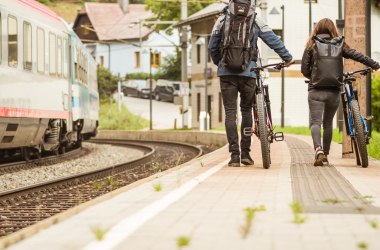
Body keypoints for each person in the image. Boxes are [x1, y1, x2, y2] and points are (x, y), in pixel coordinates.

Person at [208, 0, 294, 167]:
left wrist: (221, 64)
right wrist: (287, 57)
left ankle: (234, 156)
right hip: (249, 73)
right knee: (246, 110)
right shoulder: (255, 19)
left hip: (227, 74)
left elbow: (212, 47)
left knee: (230, 113)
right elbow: (272, 39)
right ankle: (246, 154)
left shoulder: (221, 19)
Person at [301, 18, 380, 166]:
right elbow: (357, 55)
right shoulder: (339, 43)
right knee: (328, 123)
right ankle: (325, 154)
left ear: (317, 29)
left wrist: (313, 77)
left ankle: (318, 150)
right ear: (333, 30)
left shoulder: (311, 44)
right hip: (334, 91)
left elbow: (304, 70)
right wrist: (374, 64)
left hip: (315, 90)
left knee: (315, 123)